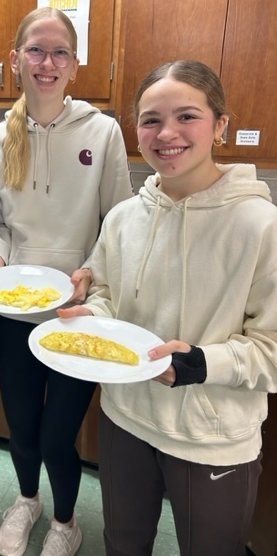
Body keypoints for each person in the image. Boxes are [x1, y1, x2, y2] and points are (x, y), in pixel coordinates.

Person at [59, 59, 277, 556]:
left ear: (220, 124)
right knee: (124, 543)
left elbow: (273, 348)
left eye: (187, 116)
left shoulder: (262, 226)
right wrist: (89, 318)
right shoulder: (123, 218)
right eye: (152, 119)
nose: (167, 133)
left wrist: (200, 363)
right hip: (126, 417)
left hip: (211, 436)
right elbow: (107, 295)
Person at [0, 7, 133, 556]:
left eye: (59, 51)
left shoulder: (103, 131)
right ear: (14, 60)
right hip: (15, 312)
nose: (47, 62)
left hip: (74, 313)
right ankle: (27, 501)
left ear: (75, 64)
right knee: (22, 431)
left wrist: (91, 271)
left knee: (57, 435)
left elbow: (118, 221)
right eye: (36, 50)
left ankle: (65, 522)